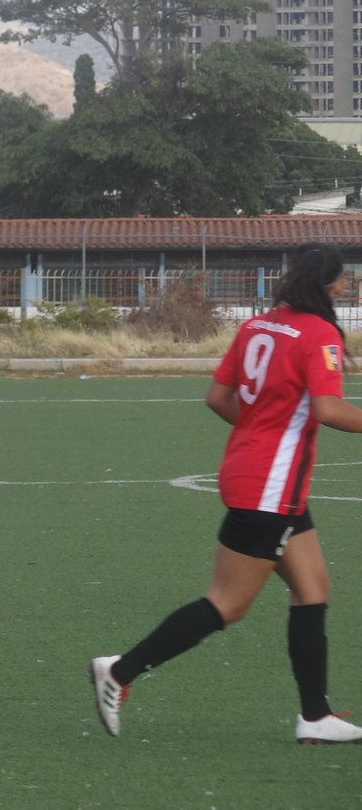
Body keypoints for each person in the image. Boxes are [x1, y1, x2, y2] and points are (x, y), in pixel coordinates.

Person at [90, 242, 362, 744]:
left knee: (312, 589)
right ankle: (119, 672)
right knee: (227, 604)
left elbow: (218, 397)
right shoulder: (319, 334)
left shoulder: (258, 324)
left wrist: (262, 431)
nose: (347, 287)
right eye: (343, 280)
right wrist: (276, 438)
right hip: (270, 489)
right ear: (327, 285)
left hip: (254, 475)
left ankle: (316, 715)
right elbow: (329, 410)